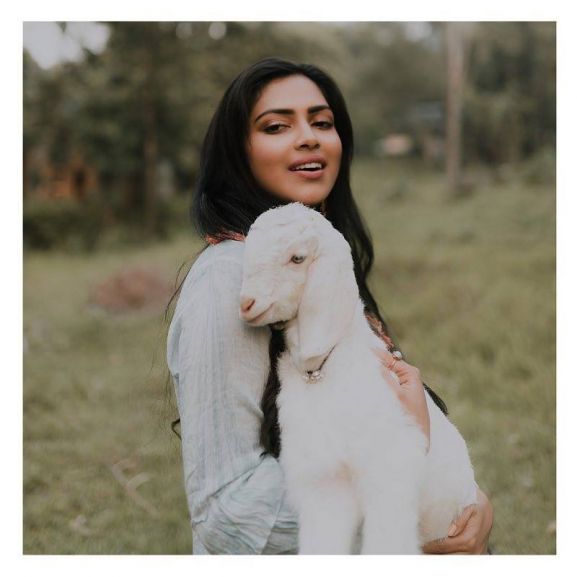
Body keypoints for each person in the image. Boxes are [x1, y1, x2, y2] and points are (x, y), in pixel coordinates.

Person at [166, 57, 493, 555]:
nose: (309, 137)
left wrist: (469, 502)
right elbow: (229, 510)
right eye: (277, 126)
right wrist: (417, 521)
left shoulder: (317, 256)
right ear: (238, 151)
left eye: (322, 122)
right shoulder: (229, 278)